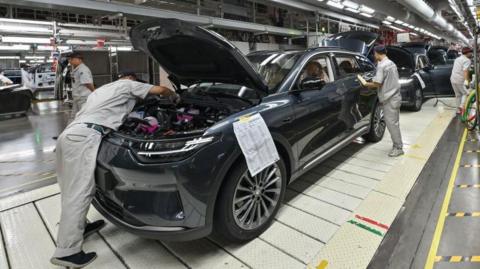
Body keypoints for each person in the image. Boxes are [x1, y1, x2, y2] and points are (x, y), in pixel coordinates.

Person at [50, 70, 179, 268]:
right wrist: (174, 96)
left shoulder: (101, 90)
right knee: (80, 192)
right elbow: (160, 89)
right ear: (131, 79)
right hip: (85, 138)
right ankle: (67, 252)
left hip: (70, 135)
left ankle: (80, 227)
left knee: (69, 188)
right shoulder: (127, 85)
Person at [359, 45, 404, 157]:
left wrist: (365, 83)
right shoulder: (391, 63)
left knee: (392, 124)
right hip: (395, 97)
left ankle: (398, 148)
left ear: (377, 53)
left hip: (390, 99)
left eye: (374, 54)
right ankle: (398, 145)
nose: (374, 56)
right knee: (394, 123)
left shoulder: (382, 65)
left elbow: (377, 84)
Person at [68, 52, 95, 117]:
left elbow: (87, 83)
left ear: (79, 59)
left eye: (72, 59)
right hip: (78, 97)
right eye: (69, 59)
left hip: (83, 98)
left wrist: (94, 92)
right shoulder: (76, 68)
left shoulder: (82, 69)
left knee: (83, 116)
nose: (70, 61)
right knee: (76, 116)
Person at [450, 47, 473, 114]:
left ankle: (458, 110)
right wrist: (467, 81)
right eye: (470, 52)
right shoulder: (467, 60)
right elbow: (465, 71)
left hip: (453, 78)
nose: (471, 54)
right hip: (460, 80)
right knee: (466, 93)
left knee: (458, 95)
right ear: (468, 53)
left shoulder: (457, 59)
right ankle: (461, 106)